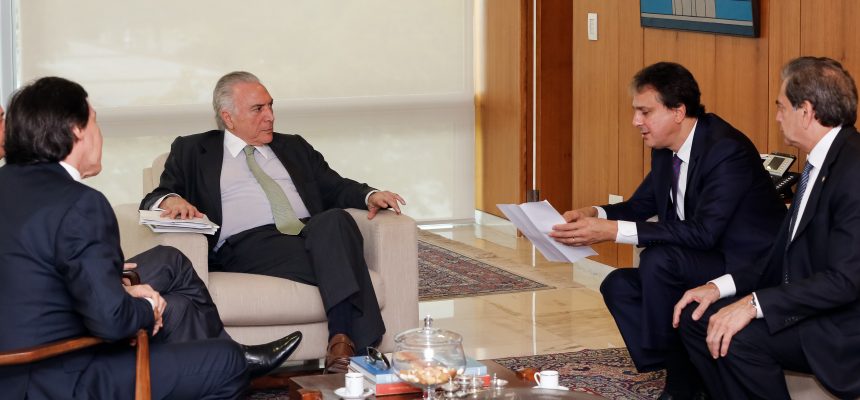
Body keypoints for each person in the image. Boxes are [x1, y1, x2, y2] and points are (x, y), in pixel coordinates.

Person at [0, 101, 301, 379]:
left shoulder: (15, 181)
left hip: (50, 301)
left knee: (173, 271)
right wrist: (130, 297)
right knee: (178, 308)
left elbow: (27, 263)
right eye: (1, 119)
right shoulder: (46, 192)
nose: (9, 127)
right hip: (45, 338)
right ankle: (229, 361)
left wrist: (109, 279)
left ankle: (227, 357)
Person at [140, 71, 406, 373]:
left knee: (335, 220)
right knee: (339, 258)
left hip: (310, 233)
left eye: (270, 106)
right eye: (258, 109)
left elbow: (335, 186)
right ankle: (359, 347)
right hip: (248, 244)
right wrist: (171, 199)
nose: (270, 117)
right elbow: (158, 194)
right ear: (228, 117)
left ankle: (342, 343)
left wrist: (369, 194)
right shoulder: (193, 149)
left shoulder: (293, 146)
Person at [549, 62, 786, 399]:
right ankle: (682, 366)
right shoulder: (665, 150)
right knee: (618, 285)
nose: (636, 122)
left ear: (678, 111)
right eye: (635, 112)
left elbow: (704, 232)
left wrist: (612, 230)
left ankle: (681, 382)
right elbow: (639, 205)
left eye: (645, 112)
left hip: (746, 264)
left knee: (659, 261)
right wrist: (594, 213)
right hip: (705, 257)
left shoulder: (725, 150)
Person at [674, 57, 860, 399]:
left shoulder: (853, 171)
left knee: (741, 339)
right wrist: (718, 288)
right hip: (809, 306)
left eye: (781, 106)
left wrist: (754, 304)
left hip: (841, 327)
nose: (776, 116)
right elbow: (779, 258)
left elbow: (846, 281)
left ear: (806, 111)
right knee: (696, 317)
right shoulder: (820, 164)